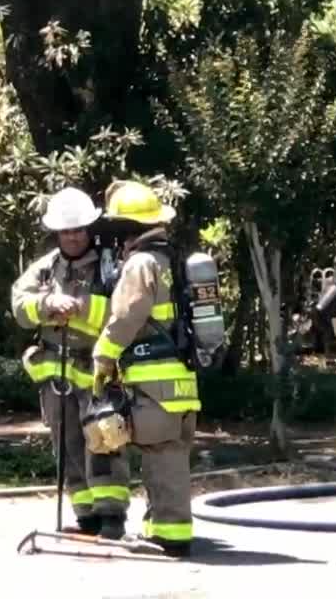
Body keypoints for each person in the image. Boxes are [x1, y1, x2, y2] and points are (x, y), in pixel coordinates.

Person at [10, 187, 130, 539]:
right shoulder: (45, 269)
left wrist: (78, 306)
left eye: (78, 229)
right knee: (68, 448)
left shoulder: (111, 267)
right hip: (57, 375)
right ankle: (86, 515)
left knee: (105, 442)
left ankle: (112, 516)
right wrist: (46, 306)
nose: (73, 236)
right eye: (66, 231)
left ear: (89, 228)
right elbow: (19, 307)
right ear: (57, 233)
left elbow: (125, 312)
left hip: (98, 373)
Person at [91, 180, 199, 558]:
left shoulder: (140, 263)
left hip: (154, 382)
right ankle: (160, 527)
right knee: (171, 454)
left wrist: (103, 357)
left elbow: (126, 316)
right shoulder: (172, 259)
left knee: (160, 454)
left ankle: (171, 534)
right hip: (181, 382)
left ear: (127, 227)